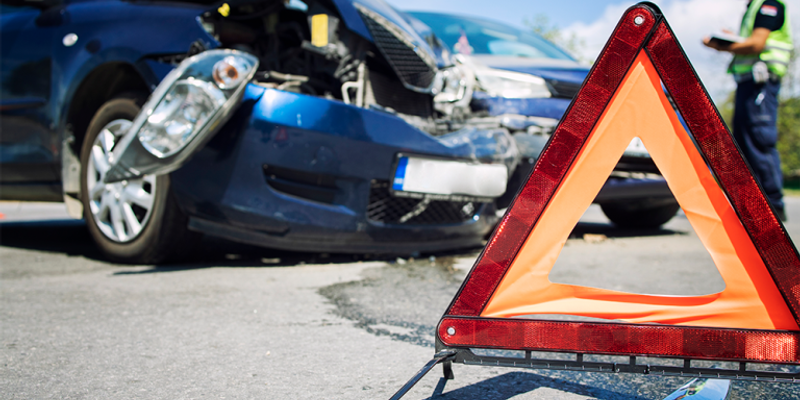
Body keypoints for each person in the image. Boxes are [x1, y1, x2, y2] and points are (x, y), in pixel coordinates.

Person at [703, 0, 793, 221]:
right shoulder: (754, 7)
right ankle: (754, 205)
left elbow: (757, 44)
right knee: (744, 142)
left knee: (759, 140)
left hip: (760, 83)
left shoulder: (768, 4)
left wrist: (722, 46)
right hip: (748, 83)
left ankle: (773, 206)